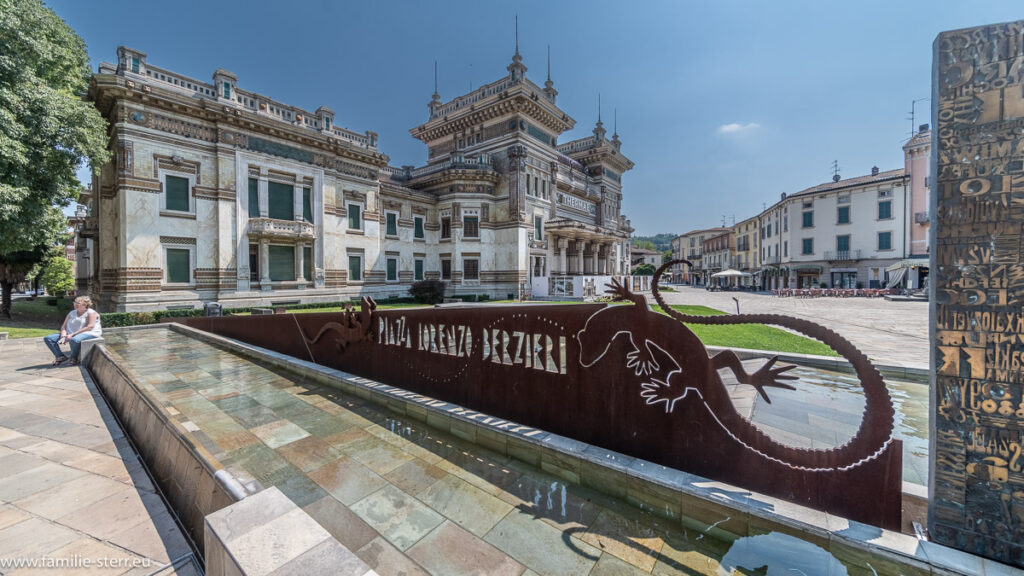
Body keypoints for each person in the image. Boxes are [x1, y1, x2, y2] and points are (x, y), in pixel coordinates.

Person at [43, 296, 103, 366]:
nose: (75, 304)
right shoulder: (72, 313)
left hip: (89, 333)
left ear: (85, 305)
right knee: (48, 338)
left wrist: (72, 335)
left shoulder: (91, 312)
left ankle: (73, 358)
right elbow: (63, 326)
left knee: (74, 340)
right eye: (75, 302)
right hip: (71, 333)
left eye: (78, 303)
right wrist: (63, 334)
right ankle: (60, 356)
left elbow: (90, 327)